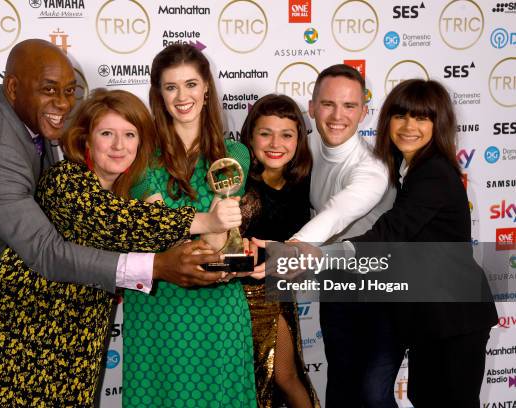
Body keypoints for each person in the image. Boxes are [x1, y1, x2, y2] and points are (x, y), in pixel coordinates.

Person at [0, 39, 222, 400]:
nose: (62, 103)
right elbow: (91, 234)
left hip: (69, 353)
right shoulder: (48, 173)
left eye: (70, 91)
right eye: (107, 133)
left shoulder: (23, 121)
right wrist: (187, 236)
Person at [0, 89, 240, 407]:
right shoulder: (65, 180)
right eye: (107, 133)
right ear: (86, 140)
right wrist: (205, 221)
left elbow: (137, 232)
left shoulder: (118, 195)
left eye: (129, 134)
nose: (119, 146)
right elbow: (114, 222)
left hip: (75, 361)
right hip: (29, 358)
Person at [251, 64, 399, 407]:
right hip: (338, 288)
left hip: (383, 295)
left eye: (349, 106)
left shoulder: (372, 167)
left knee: (374, 396)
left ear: (363, 112)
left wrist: (288, 251)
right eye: (328, 104)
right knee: (342, 387)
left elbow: (336, 214)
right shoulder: (302, 147)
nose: (337, 116)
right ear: (312, 107)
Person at [343, 79, 497, 406]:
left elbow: (392, 231)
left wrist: (325, 255)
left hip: (455, 320)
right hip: (430, 320)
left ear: (437, 124)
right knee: (423, 396)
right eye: (401, 115)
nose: (409, 126)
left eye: (422, 117)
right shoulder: (408, 170)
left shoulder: (434, 172)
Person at [123, 43, 257, 407]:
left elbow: (216, 245)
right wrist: (208, 226)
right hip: (160, 307)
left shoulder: (235, 155)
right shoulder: (139, 155)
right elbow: (163, 235)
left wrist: (215, 235)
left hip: (218, 309)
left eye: (191, 84)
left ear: (207, 87)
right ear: (159, 94)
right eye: (171, 87)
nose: (182, 96)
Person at [238, 94, 320, 408]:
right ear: (250, 136)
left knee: (286, 377)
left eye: (286, 134)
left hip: (275, 295)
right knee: (247, 386)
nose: (276, 143)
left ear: (298, 139)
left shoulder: (302, 182)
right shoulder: (238, 181)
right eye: (265, 133)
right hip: (233, 298)